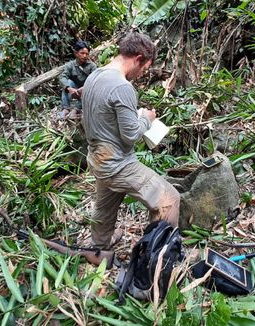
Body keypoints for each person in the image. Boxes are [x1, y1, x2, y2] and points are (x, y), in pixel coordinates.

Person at [81, 32, 180, 249]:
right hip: (118, 165)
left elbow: (100, 116)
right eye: (144, 68)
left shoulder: (94, 76)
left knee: (105, 207)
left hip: (99, 160)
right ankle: (155, 259)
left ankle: (98, 248)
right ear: (137, 58)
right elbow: (131, 135)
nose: (142, 74)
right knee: (169, 200)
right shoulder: (122, 87)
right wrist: (146, 118)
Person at [59, 40, 97, 119]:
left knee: (90, 90)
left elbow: (95, 80)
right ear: (76, 53)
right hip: (74, 88)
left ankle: (76, 109)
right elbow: (62, 77)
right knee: (68, 83)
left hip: (86, 89)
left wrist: (84, 88)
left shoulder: (92, 66)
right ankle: (65, 108)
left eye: (86, 54)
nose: (84, 56)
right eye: (82, 53)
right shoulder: (70, 65)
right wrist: (69, 88)